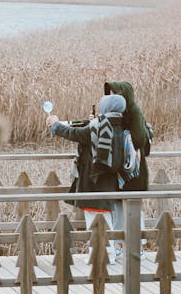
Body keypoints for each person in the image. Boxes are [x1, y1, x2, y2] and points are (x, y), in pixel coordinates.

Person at [46, 93, 127, 264]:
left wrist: (56, 125)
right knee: (105, 217)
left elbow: (76, 133)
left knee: (97, 219)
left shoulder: (100, 125)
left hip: (95, 179)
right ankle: (107, 254)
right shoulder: (119, 124)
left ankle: (102, 256)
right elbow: (86, 130)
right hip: (110, 179)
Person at [104, 80, 151, 255]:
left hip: (133, 170)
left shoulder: (134, 112)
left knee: (133, 208)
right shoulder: (112, 114)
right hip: (117, 170)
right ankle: (117, 246)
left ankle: (137, 247)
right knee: (116, 208)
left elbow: (139, 139)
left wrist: (121, 133)